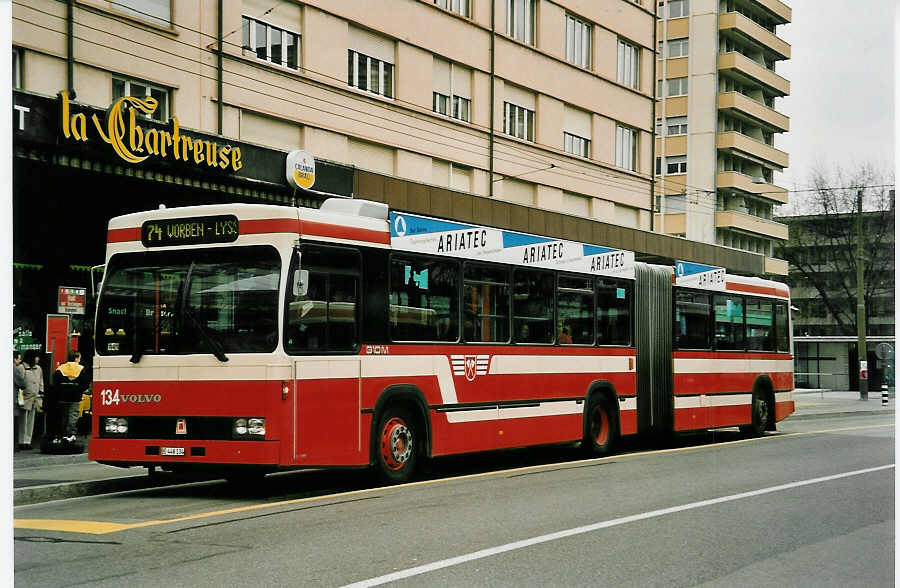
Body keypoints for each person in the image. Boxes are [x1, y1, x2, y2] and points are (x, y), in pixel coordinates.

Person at [49, 350, 90, 448]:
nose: (79, 360)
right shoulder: (81, 368)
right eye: (79, 358)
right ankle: (70, 434)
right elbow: (85, 383)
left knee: (63, 415)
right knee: (73, 415)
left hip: (62, 396)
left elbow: (55, 382)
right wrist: (79, 391)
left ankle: (61, 434)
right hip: (75, 397)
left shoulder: (61, 368)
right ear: (76, 358)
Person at [18, 350, 43, 450]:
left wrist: (41, 391)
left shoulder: (38, 368)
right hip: (25, 397)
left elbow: (41, 381)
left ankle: (28, 441)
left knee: (31, 420)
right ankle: (21, 441)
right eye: (36, 357)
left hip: (34, 397)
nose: (38, 359)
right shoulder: (22, 367)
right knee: (23, 420)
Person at [13, 351, 26, 449]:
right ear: (14, 359)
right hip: (13, 399)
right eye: (19, 359)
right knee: (14, 423)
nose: (20, 361)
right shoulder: (15, 369)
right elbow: (23, 384)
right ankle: (14, 445)